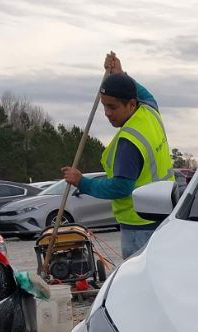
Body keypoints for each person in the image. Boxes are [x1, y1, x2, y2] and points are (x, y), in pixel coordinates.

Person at [62, 52, 173, 259]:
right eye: (104, 105)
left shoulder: (129, 142)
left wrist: (81, 182)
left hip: (139, 226)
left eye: (113, 107)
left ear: (131, 104)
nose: (107, 112)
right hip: (165, 216)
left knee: (138, 283)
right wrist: (121, 75)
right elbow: (145, 95)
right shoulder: (149, 111)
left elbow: (120, 187)